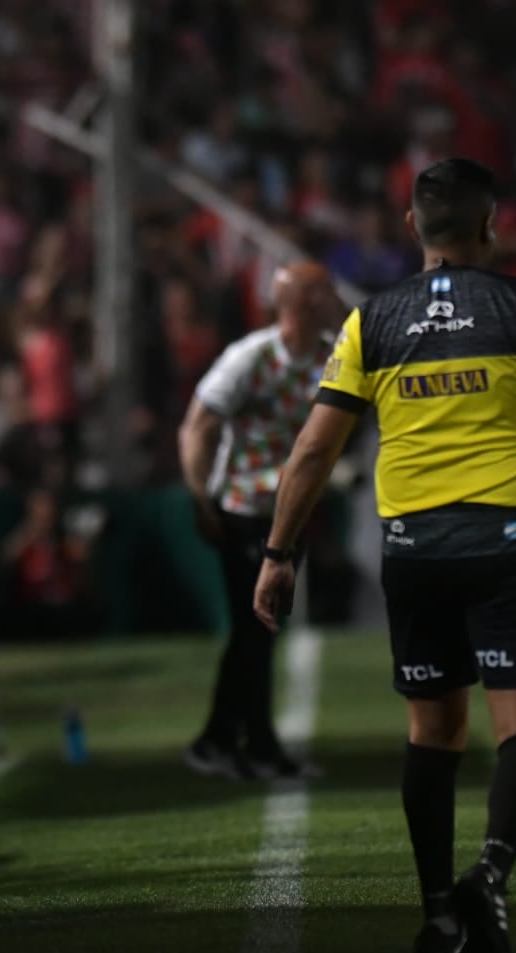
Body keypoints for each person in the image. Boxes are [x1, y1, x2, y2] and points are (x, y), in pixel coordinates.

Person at [254, 158, 516, 953]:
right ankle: (489, 874)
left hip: (414, 553)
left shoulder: (370, 323)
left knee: (433, 733)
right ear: (491, 226)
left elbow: (316, 447)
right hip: (509, 545)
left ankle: (437, 914)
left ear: (411, 227)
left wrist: (279, 551)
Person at [178, 262, 344, 780]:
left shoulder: (332, 357)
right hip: (246, 510)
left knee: (257, 633)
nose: (333, 300)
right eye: (323, 292)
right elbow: (197, 427)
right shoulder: (250, 358)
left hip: (292, 514)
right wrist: (201, 498)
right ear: (301, 302)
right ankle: (260, 748)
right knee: (256, 628)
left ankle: (219, 740)